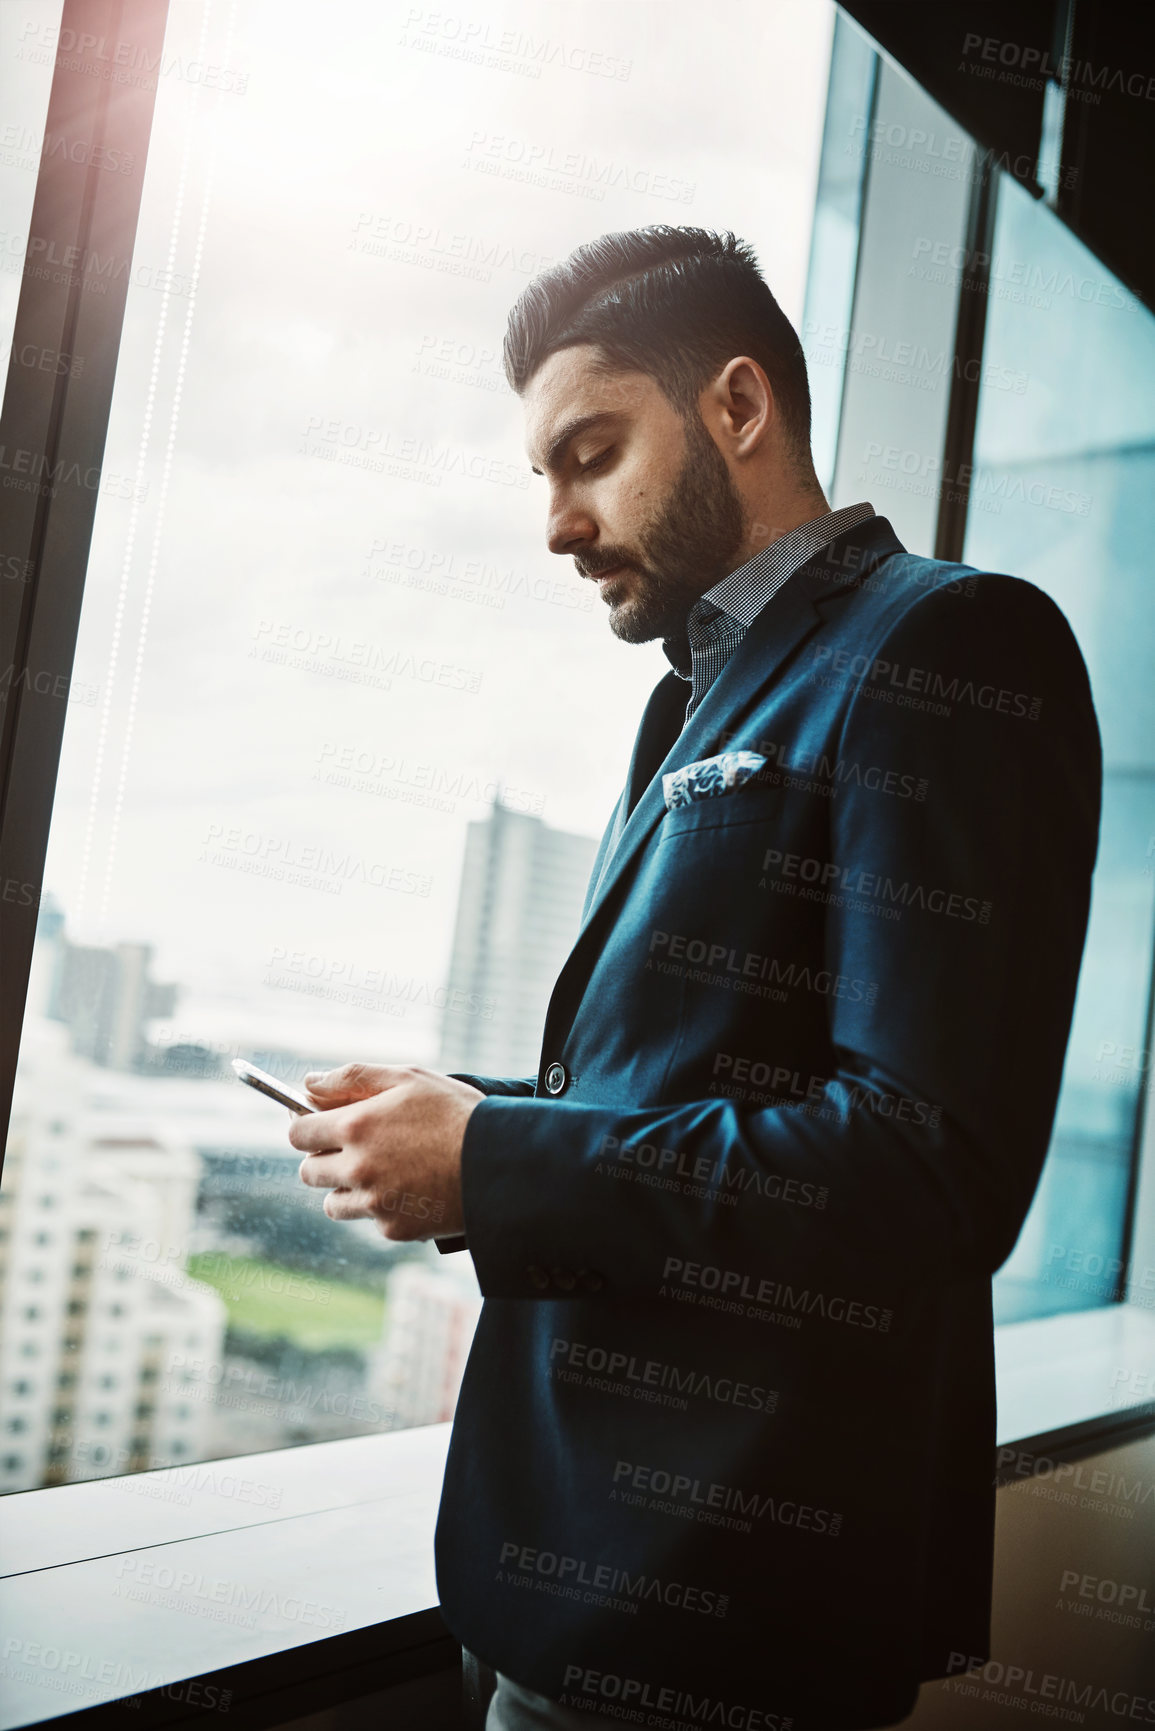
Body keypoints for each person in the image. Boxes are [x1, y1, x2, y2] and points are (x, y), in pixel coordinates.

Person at [288, 226, 1102, 1730]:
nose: (555, 523)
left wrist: (496, 1161)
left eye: (588, 454)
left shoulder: (953, 647)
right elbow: (691, 1083)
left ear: (738, 407)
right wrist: (468, 1114)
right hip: (558, 1571)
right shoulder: (695, 697)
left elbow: (926, 1171)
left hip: (711, 1620)